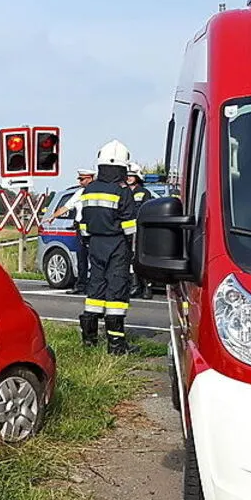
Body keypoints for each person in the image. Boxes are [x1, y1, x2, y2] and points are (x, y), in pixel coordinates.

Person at [78, 140, 139, 356]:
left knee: (95, 288)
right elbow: (130, 228)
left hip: (94, 244)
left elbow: (83, 224)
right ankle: (116, 346)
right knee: (116, 291)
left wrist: (91, 241)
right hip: (117, 245)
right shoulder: (122, 192)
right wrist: (134, 251)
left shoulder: (89, 190)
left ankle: (89, 342)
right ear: (122, 167)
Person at [45, 168, 94, 294]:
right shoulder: (80, 193)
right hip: (81, 230)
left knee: (96, 260)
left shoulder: (97, 192)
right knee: (81, 258)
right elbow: (66, 207)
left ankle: (94, 285)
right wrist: (53, 217)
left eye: (82, 179)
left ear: (91, 178)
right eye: (80, 179)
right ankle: (81, 285)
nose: (80, 182)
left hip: (96, 230)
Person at [126, 163, 154, 300]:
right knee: (131, 259)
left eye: (132, 175)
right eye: (128, 175)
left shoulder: (143, 192)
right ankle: (135, 286)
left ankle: (147, 287)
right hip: (127, 231)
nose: (129, 178)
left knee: (141, 259)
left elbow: (146, 211)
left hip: (140, 231)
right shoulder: (124, 192)